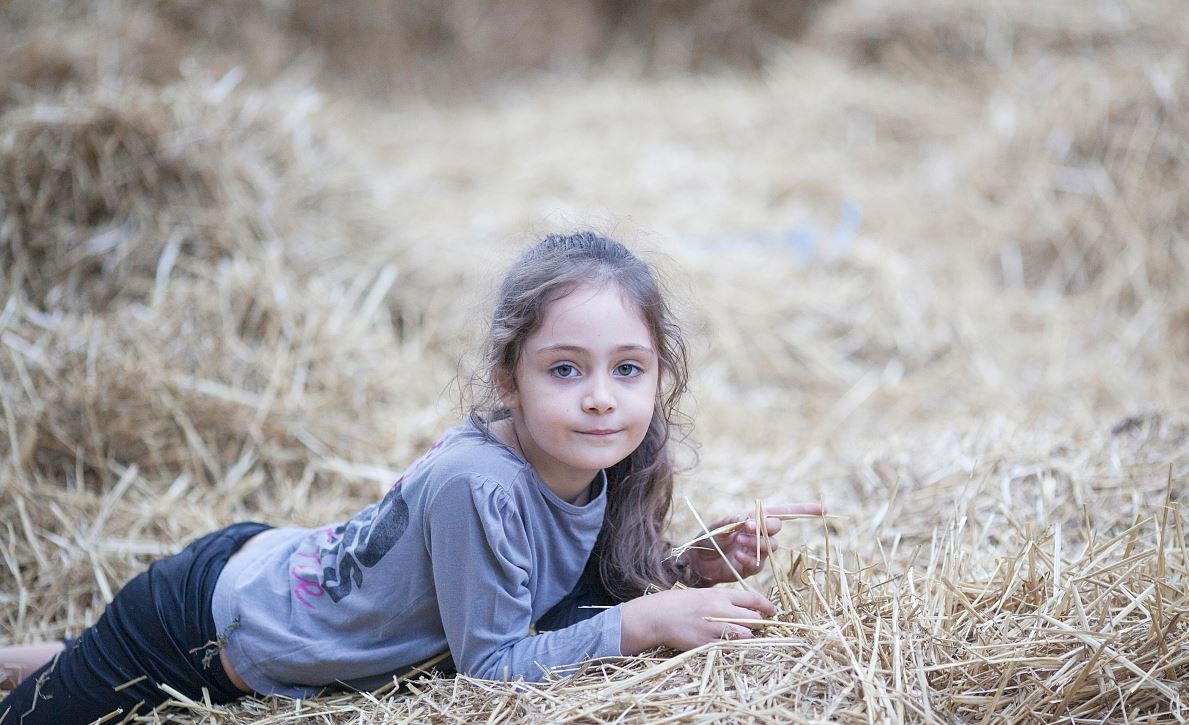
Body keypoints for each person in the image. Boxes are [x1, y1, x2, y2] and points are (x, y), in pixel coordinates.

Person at [0, 232, 823, 723]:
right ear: (508, 378)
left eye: (629, 368)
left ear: (659, 375)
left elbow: (561, 591)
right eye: (565, 369)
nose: (602, 397)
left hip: (278, 576)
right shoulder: (480, 481)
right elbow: (493, 665)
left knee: (80, 665)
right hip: (209, 624)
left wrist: (688, 567)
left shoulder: (604, 461)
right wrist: (648, 620)